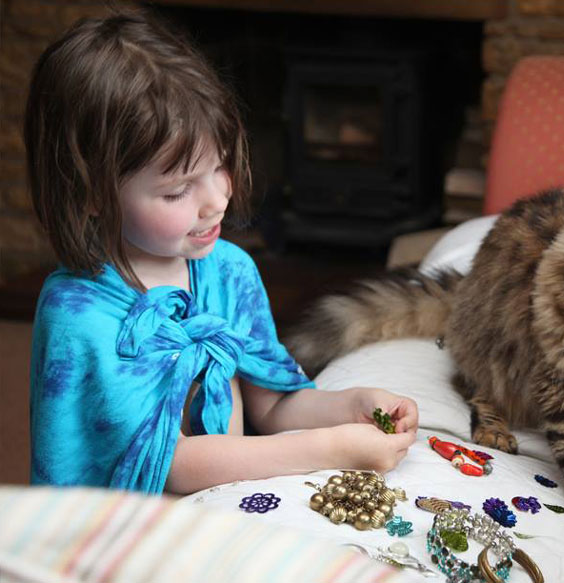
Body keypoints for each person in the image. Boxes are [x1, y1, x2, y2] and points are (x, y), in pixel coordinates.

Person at [24, 11, 418, 495]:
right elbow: (170, 465)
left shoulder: (230, 272)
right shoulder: (81, 315)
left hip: (227, 509)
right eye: (176, 191)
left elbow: (271, 407)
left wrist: (353, 405)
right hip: (135, 540)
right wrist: (330, 448)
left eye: (220, 167)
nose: (216, 201)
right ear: (90, 193)